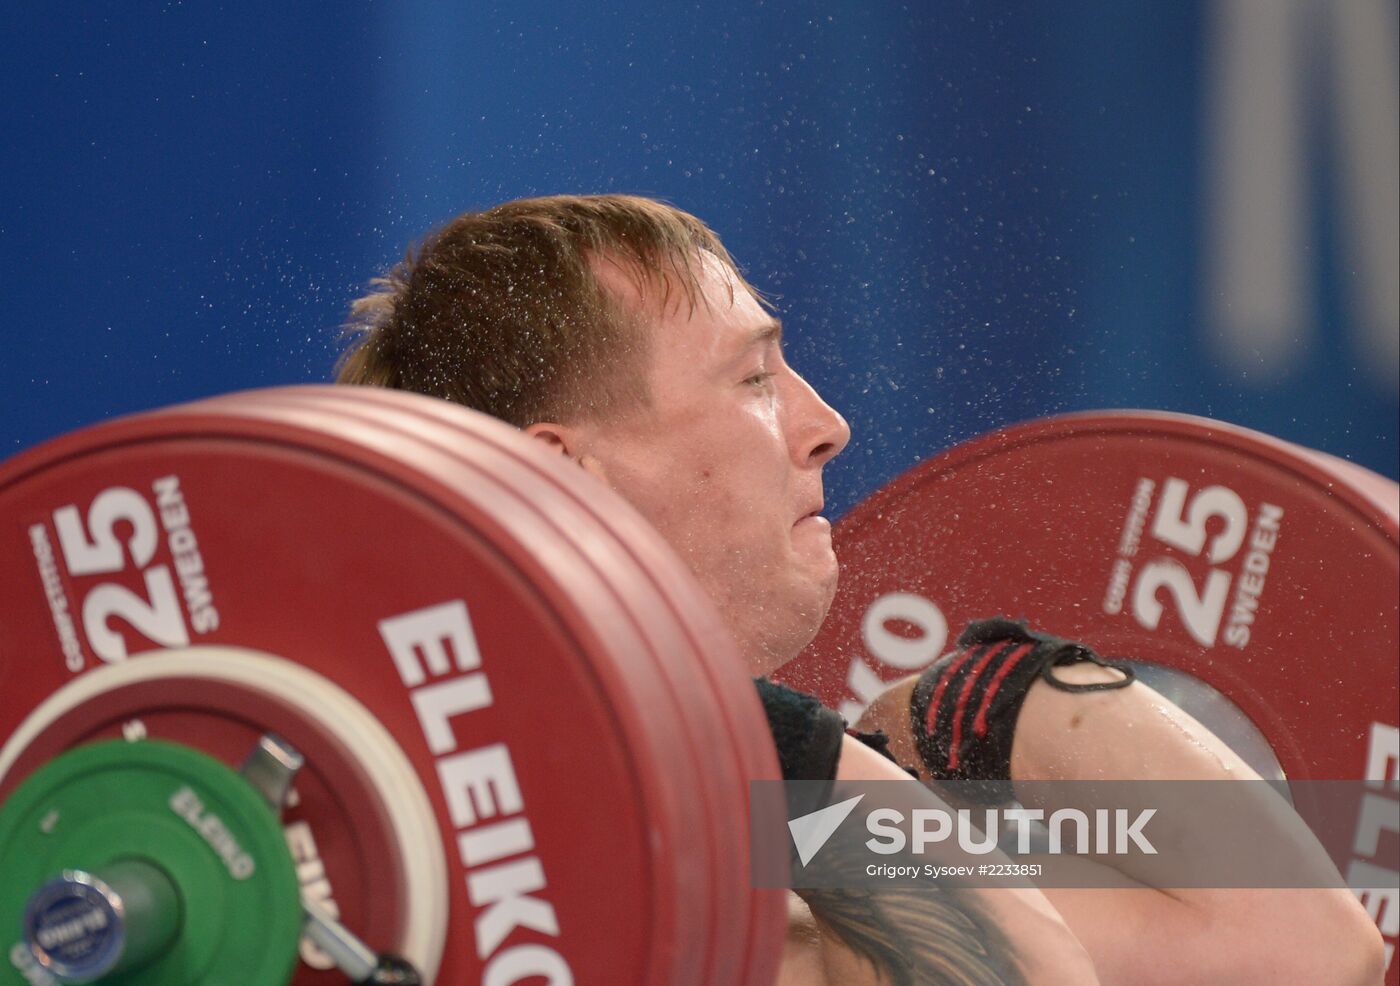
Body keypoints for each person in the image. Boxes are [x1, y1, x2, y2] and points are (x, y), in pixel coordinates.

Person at [336, 194, 1384, 985]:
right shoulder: (719, 782)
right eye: (752, 380)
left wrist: (1007, 706)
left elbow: (1306, 950)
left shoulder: (763, 829)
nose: (823, 421)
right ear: (564, 473)